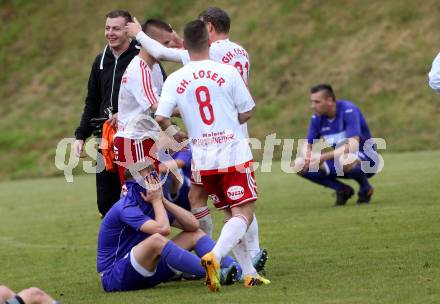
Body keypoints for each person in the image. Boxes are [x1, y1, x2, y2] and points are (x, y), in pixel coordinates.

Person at [125, 10, 267, 271]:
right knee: (242, 207)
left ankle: (243, 266)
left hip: (202, 151)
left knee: (207, 201)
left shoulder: (180, 74)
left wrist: (139, 34)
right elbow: (247, 110)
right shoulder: (237, 54)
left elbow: (161, 110)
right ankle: (227, 255)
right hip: (233, 142)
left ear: (209, 27)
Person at [155, 20, 270, 291]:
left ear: (185, 43)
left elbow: (160, 115)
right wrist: (229, 117)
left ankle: (249, 273)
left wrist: (177, 131)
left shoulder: (176, 78)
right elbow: (248, 110)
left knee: (230, 212)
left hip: (203, 158)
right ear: (209, 41)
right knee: (244, 213)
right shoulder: (226, 72)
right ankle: (215, 256)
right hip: (232, 154)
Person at [97, 161, 240, 292]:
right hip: (115, 276)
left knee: (194, 234)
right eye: (149, 177)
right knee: (157, 240)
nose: (155, 181)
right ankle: (217, 272)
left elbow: (193, 225)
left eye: (154, 176)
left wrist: (163, 200)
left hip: (146, 270)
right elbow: (163, 230)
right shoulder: (126, 206)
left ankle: (238, 270)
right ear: (134, 183)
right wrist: (157, 201)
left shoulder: (152, 203)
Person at [72, 10, 139, 216]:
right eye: (107, 28)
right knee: (106, 205)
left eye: (116, 28)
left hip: (135, 139)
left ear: (128, 30)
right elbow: (92, 101)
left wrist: (125, 115)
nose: (110, 33)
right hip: (106, 140)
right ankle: (126, 247)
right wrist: (81, 136)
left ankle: (146, 246)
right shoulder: (100, 61)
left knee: (138, 200)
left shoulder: (141, 58)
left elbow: (158, 97)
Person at [292, 84, 380, 206]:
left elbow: (353, 144)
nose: (313, 106)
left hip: (367, 161)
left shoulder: (349, 110)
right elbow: (308, 143)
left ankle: (366, 189)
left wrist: (323, 157)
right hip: (339, 160)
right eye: (312, 102)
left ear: (329, 100)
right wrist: (307, 155)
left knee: (346, 159)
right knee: (298, 164)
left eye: (317, 102)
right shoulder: (317, 118)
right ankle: (343, 190)